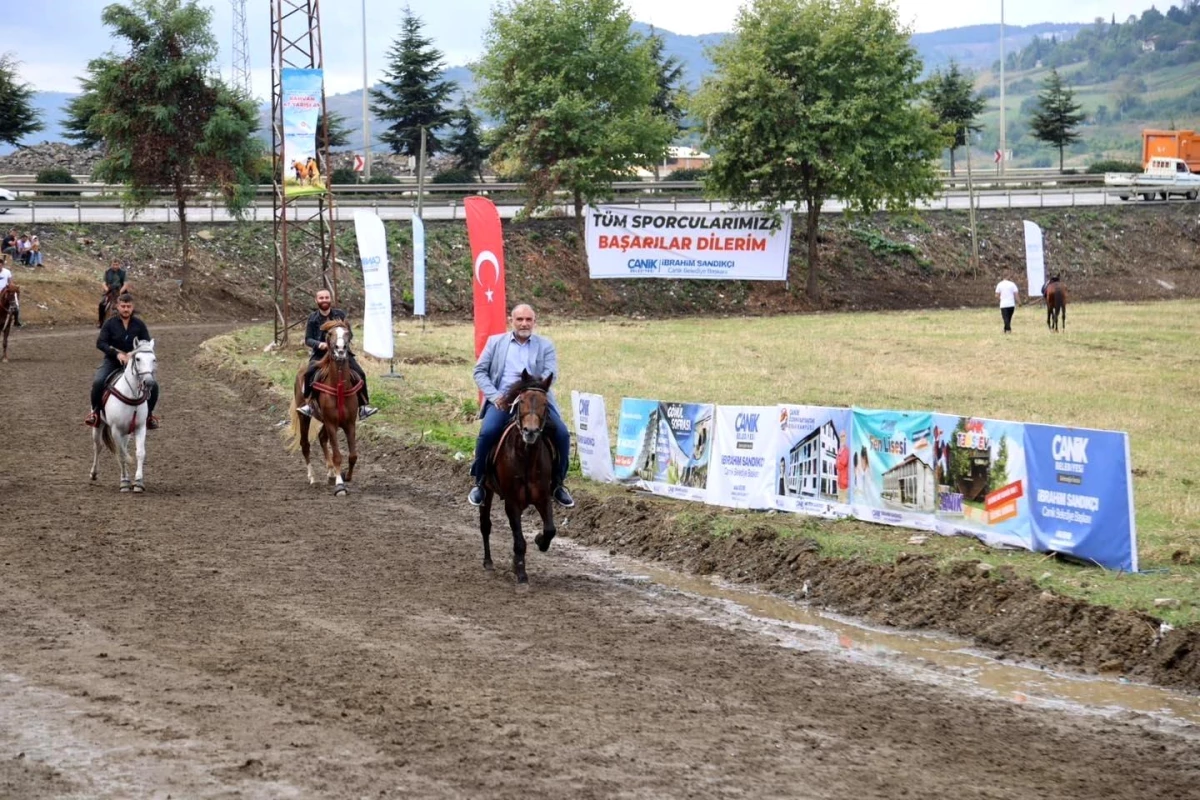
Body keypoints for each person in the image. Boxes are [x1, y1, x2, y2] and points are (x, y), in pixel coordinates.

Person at [468, 303, 574, 508]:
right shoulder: (495, 343)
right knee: (488, 432)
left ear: (534, 322)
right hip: (503, 400)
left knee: (562, 434)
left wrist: (532, 391)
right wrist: (494, 395)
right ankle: (480, 482)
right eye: (520, 319)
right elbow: (479, 372)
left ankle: (558, 484)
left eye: (528, 320)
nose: (524, 324)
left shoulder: (546, 346)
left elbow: (551, 374)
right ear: (512, 321)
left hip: (534, 399)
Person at [296, 288, 378, 421]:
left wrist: (343, 341)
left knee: (360, 373)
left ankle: (363, 406)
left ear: (331, 299)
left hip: (342, 352)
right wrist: (319, 344)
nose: (324, 300)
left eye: (326, 297)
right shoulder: (312, 318)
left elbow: (349, 333)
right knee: (309, 372)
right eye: (321, 298)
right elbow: (308, 339)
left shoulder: (340, 314)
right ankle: (309, 405)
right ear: (316, 300)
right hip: (321, 354)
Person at [86, 293, 159, 430]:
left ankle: (149, 416)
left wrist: (132, 354)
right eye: (123, 306)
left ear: (133, 307)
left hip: (135, 364)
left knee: (153, 386)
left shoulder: (139, 324)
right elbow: (101, 343)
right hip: (112, 361)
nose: (126, 309)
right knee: (98, 381)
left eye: (128, 306)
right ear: (118, 307)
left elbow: (146, 344)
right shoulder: (109, 324)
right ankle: (95, 413)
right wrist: (117, 354)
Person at [99, 259, 128, 328]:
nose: (115, 266)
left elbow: (126, 284)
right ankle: (101, 322)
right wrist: (107, 289)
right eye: (114, 265)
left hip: (120, 290)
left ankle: (129, 321)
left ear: (119, 265)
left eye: (117, 265)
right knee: (101, 304)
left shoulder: (123, 273)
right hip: (110, 290)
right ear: (111, 264)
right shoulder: (107, 272)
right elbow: (103, 283)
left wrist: (121, 291)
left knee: (128, 304)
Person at [0, 256, 20, 327]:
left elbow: (10, 281)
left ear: (2, 265)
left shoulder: (7, 272)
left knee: (15, 304)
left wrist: (13, 286)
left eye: (1, 264)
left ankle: (16, 320)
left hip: (5, 291)